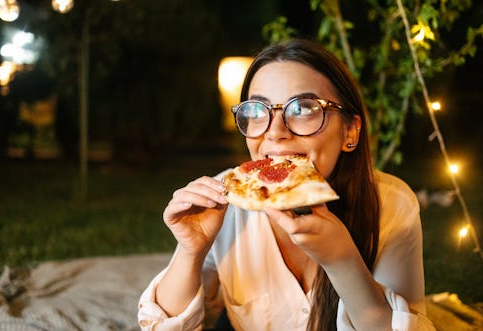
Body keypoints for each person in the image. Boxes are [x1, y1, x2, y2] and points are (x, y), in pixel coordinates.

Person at [138, 38, 435, 331]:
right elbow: (162, 326)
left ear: (351, 131)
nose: (275, 132)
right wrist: (191, 251)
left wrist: (343, 260)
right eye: (257, 111)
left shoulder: (392, 204)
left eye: (304, 109)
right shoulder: (222, 199)